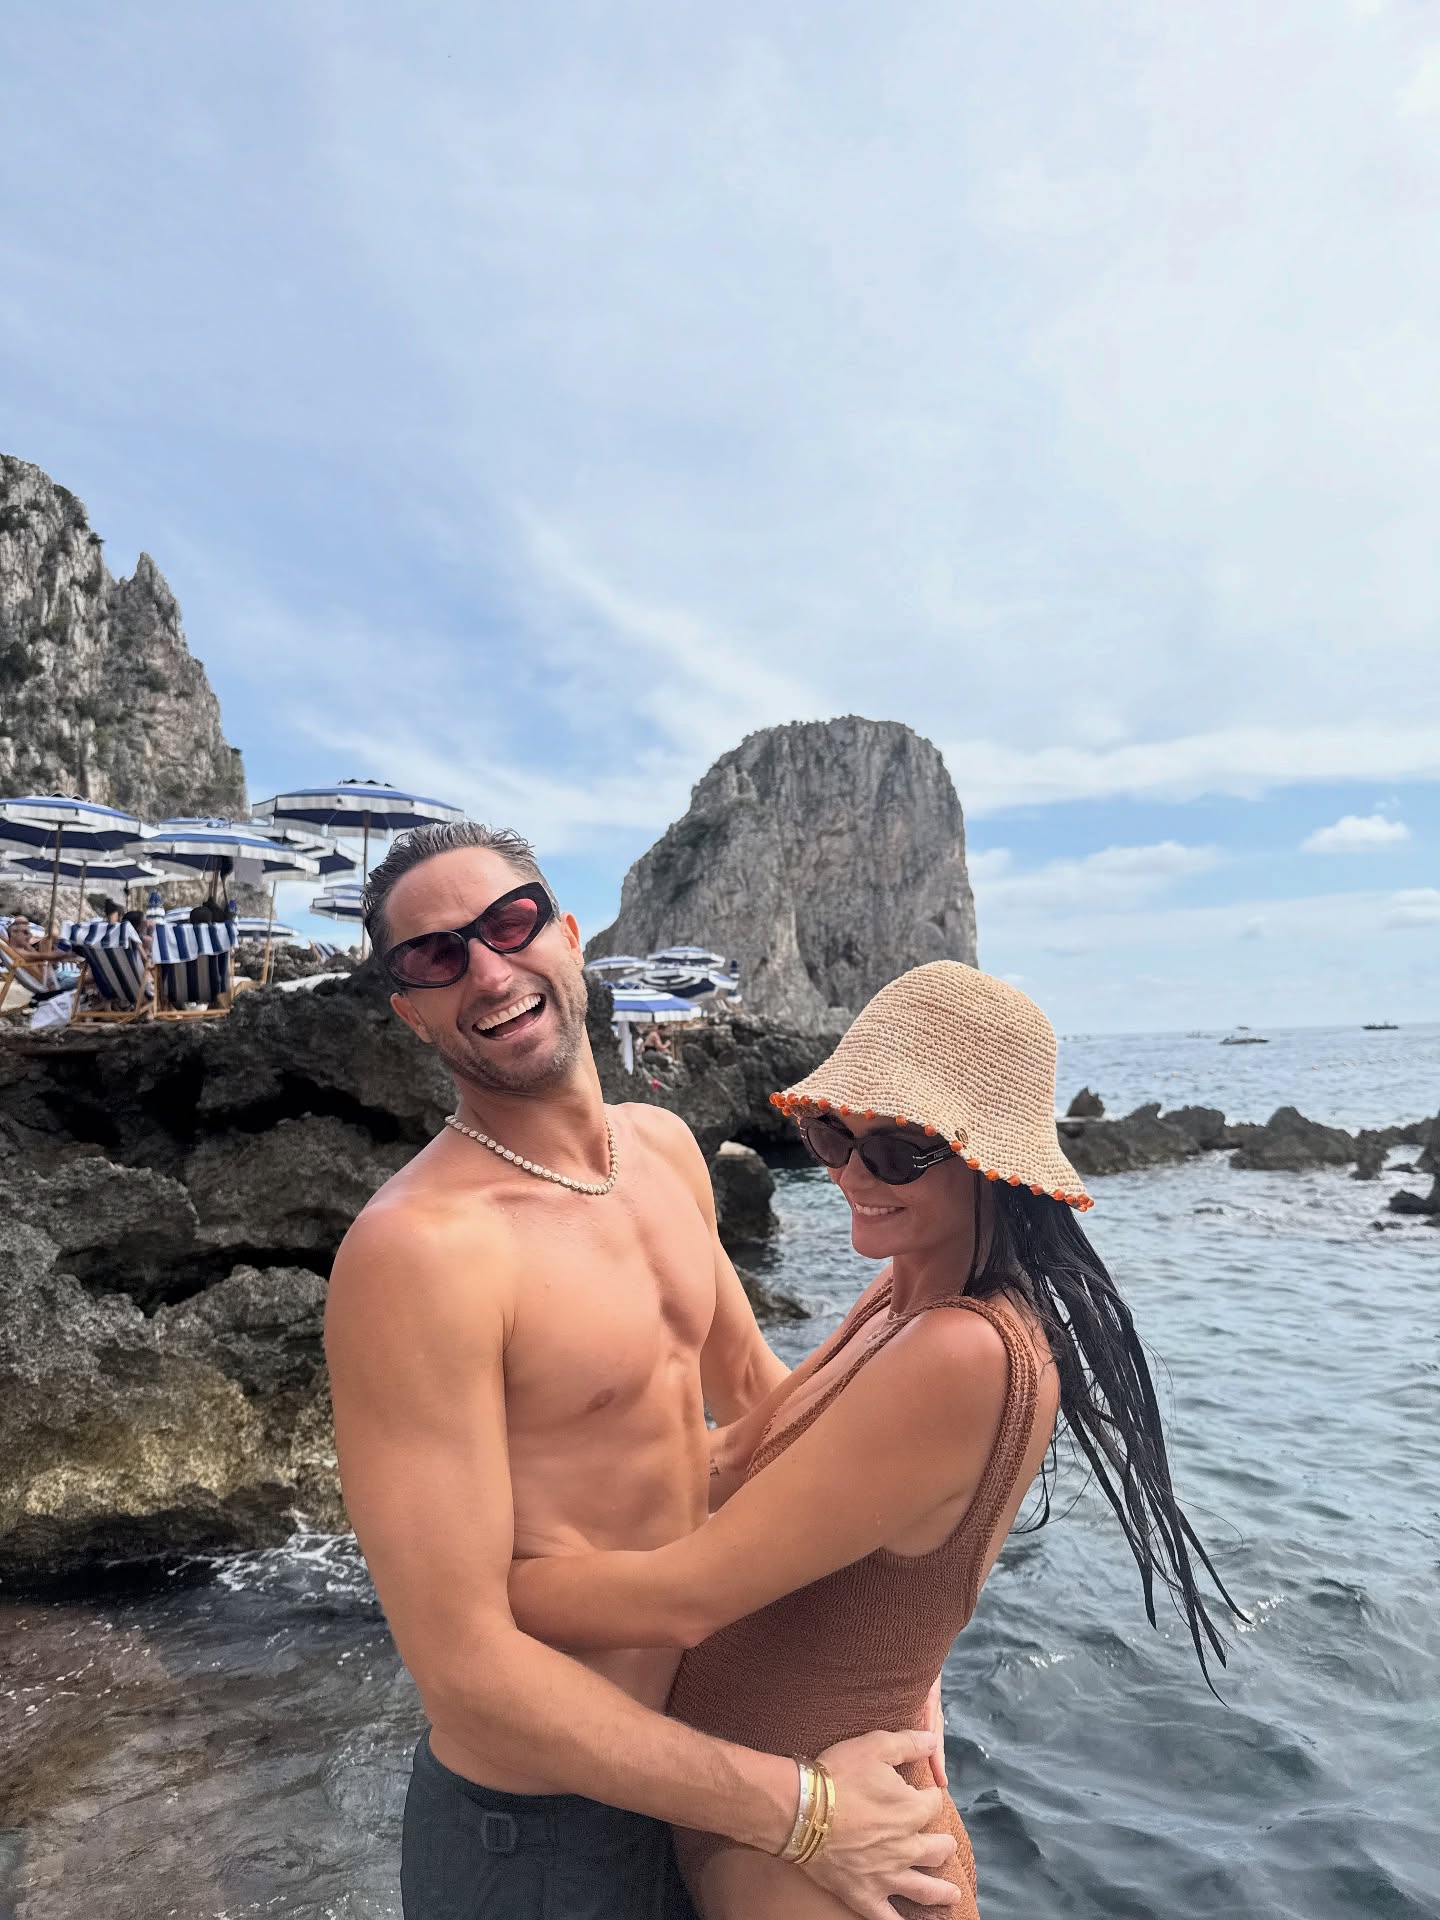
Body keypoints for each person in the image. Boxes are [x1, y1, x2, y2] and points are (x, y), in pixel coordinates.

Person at [508, 961, 1243, 1919]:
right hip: (781, 1816)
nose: (852, 1176)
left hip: (830, 1859)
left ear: (992, 1164)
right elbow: (736, 1455)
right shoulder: (900, 1294)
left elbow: (688, 1599)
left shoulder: (964, 1350)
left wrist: (472, 1593)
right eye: (833, 1136)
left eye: (896, 1152)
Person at [328, 822, 960, 1920]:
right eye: (436, 957)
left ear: (569, 936)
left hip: (718, 1751)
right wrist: (804, 1812)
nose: (488, 971)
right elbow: (463, 1666)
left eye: (509, 924)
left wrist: (901, 1655)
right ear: (410, 1011)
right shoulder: (420, 1254)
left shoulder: (662, 1149)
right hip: (546, 1835)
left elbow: (763, 1402)